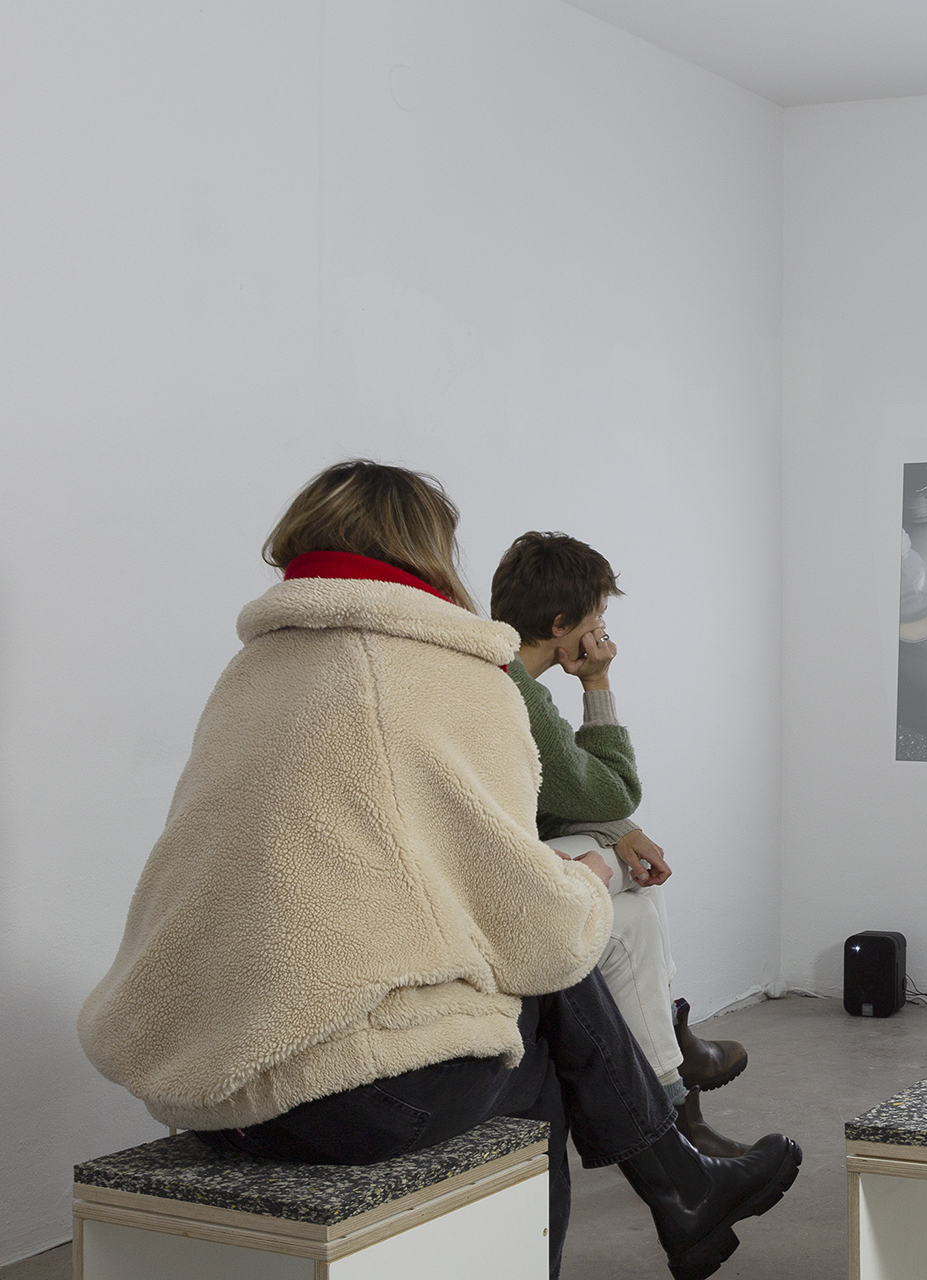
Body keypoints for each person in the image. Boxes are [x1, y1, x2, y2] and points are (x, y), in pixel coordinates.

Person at [76, 460, 799, 1280]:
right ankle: (677, 1189)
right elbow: (541, 931)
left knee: (535, 983)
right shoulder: (452, 675)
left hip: (207, 1085)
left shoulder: (250, 674)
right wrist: (584, 883)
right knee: (542, 1021)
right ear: (428, 549)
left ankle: (686, 1190)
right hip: (340, 1098)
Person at [490, 531, 753, 1158]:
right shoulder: (516, 692)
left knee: (633, 888)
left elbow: (560, 799)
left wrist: (619, 831)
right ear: (561, 625)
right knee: (633, 886)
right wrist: (598, 682)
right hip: (507, 884)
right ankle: (674, 1076)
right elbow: (615, 789)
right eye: (598, 616)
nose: (603, 629)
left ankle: (673, 1079)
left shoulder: (503, 678)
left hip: (515, 862)